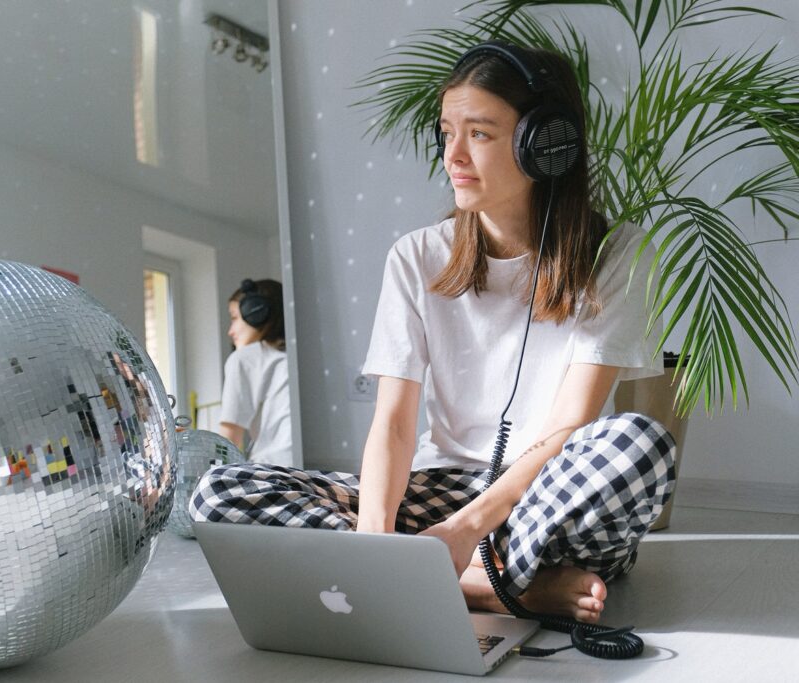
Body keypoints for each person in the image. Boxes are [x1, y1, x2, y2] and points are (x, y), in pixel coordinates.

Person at [191, 42, 675, 624]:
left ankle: (465, 570)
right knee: (218, 492)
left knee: (637, 446)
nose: (454, 156)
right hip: (440, 488)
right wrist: (375, 540)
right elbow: (394, 423)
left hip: (544, 499)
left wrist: (464, 529)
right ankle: (507, 590)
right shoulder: (416, 257)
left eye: (480, 133)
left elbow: (571, 424)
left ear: (545, 145)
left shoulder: (618, 253)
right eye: (447, 132)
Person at [217, 279, 293, 467]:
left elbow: (229, 438)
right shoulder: (298, 361)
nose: (230, 331)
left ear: (257, 313)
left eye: (234, 318)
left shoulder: (243, 359)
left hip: (270, 473)